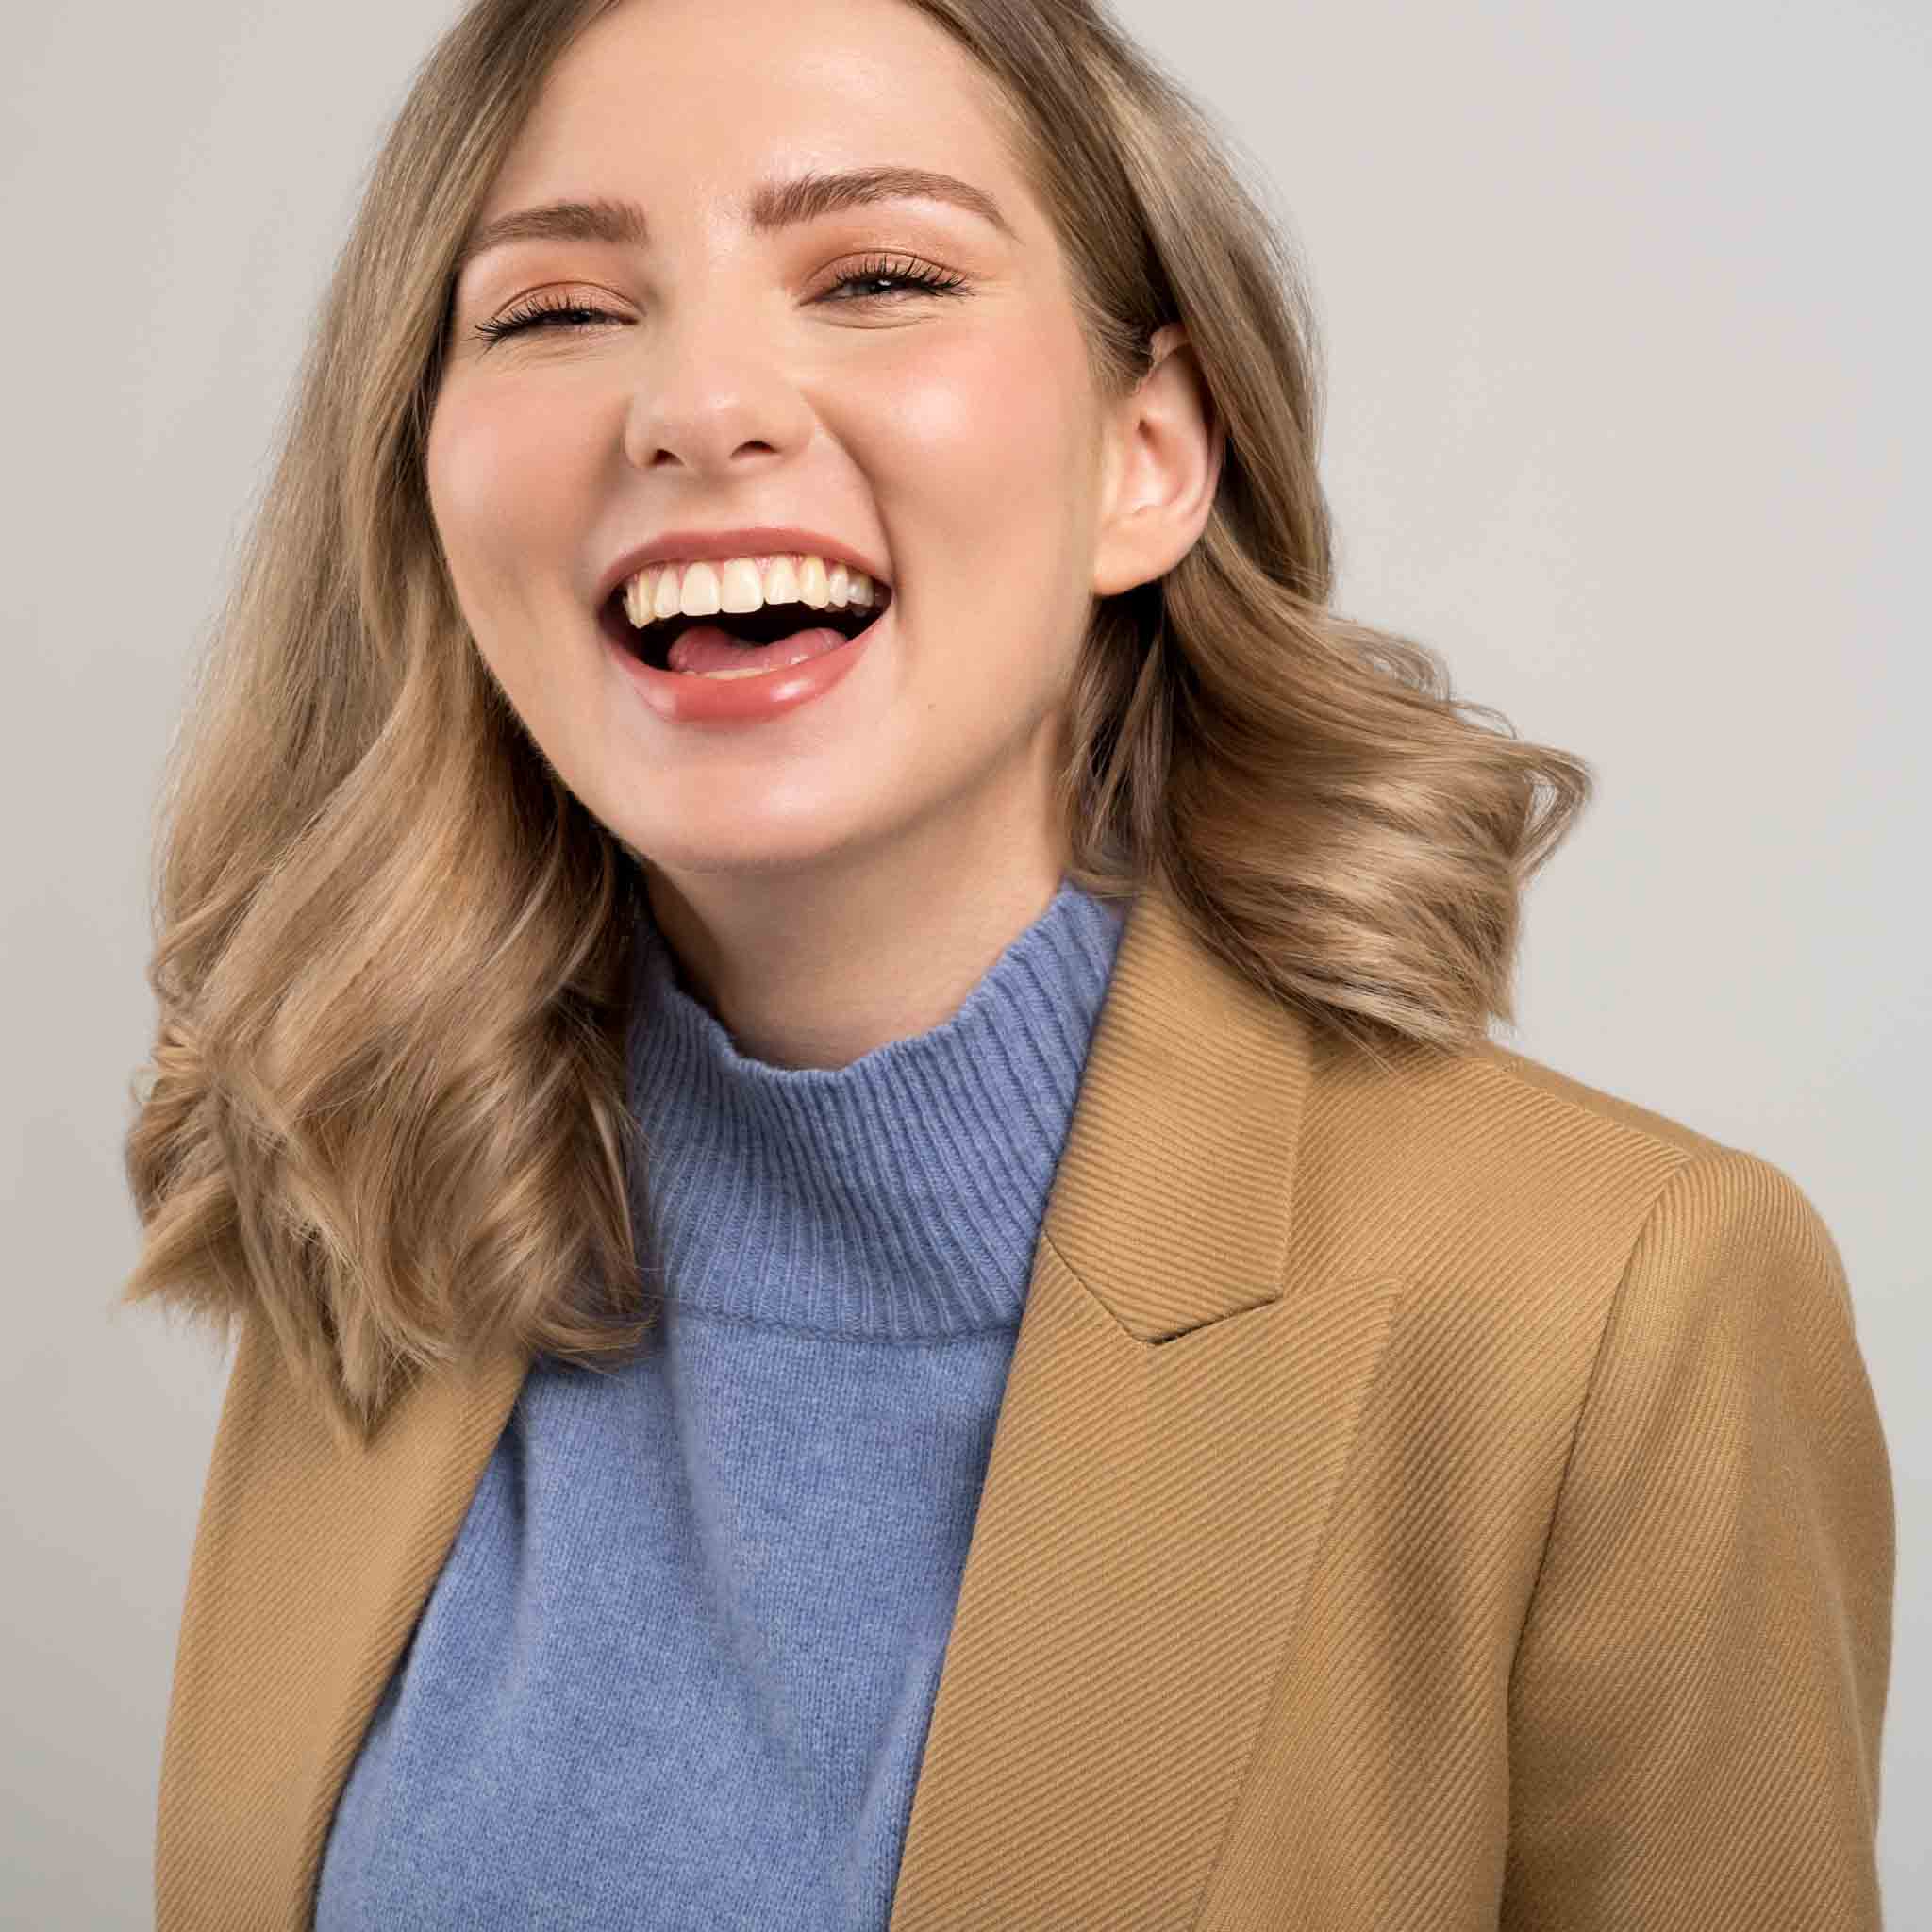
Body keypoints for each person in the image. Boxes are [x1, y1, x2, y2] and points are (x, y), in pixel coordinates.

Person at [123, 0, 1894, 1924]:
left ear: (1147, 454)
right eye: (553, 310)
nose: (698, 404)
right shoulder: (377, 1218)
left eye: (877, 274)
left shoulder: (1609, 1319)